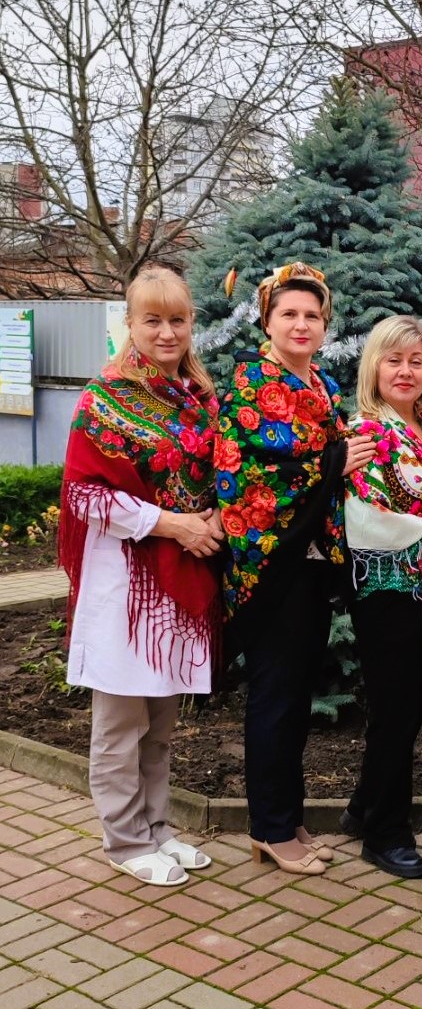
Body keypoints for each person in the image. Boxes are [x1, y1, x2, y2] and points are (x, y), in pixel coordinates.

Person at [59, 267, 223, 886]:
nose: (166, 332)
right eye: (152, 320)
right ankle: (124, 840)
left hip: (180, 578)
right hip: (128, 582)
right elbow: (83, 496)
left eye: (177, 319)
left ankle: (158, 828)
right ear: (129, 323)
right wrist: (172, 524)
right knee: (120, 723)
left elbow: (220, 474)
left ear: (190, 323)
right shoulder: (104, 398)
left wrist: (211, 520)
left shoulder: (199, 397)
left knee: (160, 721)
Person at [215, 262, 376, 875]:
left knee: (294, 695)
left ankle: (288, 818)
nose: (301, 324)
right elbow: (251, 475)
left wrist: (340, 460)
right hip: (272, 566)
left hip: (312, 564)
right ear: (267, 321)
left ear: (326, 324)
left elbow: (328, 458)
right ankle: (270, 828)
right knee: (275, 698)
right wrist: (336, 460)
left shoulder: (323, 384)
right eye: (289, 314)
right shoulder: (251, 383)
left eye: (313, 315)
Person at [340, 316, 422, 878]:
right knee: (395, 710)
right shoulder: (366, 432)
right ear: (375, 366)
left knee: (410, 707)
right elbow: (361, 517)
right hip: (386, 589)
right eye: (394, 360)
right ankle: (386, 833)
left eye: (417, 361)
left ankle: (363, 807)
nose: (406, 371)